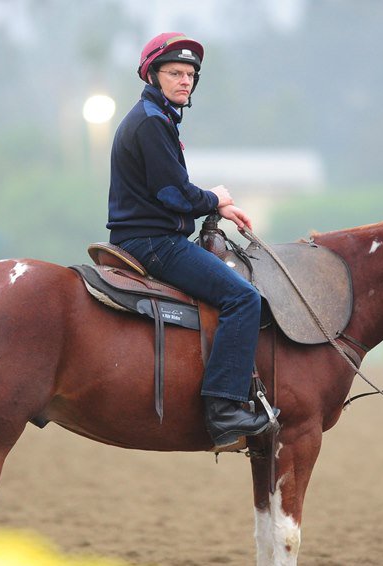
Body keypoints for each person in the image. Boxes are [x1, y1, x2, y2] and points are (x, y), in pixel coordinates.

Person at [106, 32, 278, 448]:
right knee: (244, 300)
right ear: (154, 75)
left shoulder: (155, 117)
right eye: (175, 73)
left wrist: (217, 207)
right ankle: (224, 408)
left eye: (190, 75)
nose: (185, 80)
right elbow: (172, 195)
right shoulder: (151, 123)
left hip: (144, 234)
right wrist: (214, 197)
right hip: (154, 242)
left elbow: (169, 187)